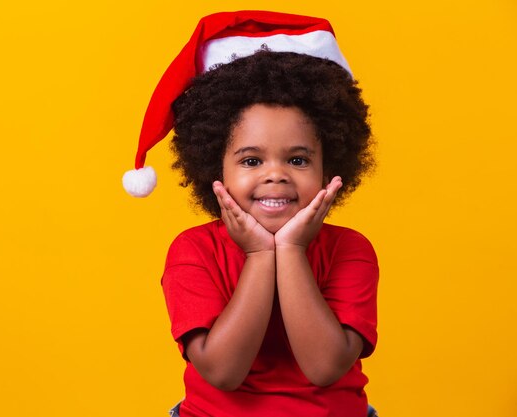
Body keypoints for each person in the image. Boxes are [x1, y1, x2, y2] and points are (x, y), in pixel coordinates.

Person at [123, 11, 379, 417]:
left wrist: (291, 250)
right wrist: (261, 257)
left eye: (297, 159)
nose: (275, 174)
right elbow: (223, 371)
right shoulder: (193, 251)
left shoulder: (351, 249)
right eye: (251, 161)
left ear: (329, 168)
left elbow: (325, 367)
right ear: (212, 166)